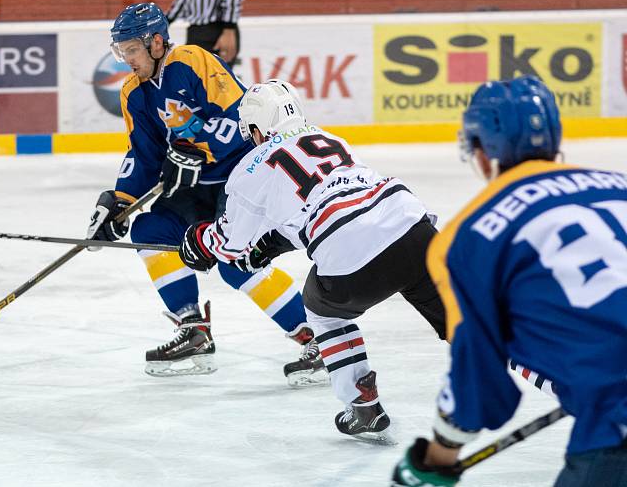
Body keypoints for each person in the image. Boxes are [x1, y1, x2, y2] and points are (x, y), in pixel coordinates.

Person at [177, 80, 447, 442]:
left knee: (322, 309)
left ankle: (363, 404)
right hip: (413, 227)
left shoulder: (250, 167)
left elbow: (228, 243)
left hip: (353, 257)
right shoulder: (330, 138)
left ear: (255, 128)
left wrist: (198, 241)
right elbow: (328, 203)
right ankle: (540, 367)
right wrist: (268, 246)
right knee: (468, 324)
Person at [391, 76, 627, 486]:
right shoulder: (619, 187)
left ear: (484, 152)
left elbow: (478, 372)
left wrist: (437, 457)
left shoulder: (469, 235)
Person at [87, 3, 327, 384]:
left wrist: (197, 149)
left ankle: (317, 339)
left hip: (240, 177)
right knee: (149, 230)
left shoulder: (193, 61)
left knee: (234, 263)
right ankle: (194, 329)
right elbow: (143, 155)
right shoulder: (134, 92)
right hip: (194, 188)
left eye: (131, 50)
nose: (126, 60)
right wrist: (119, 201)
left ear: (156, 42)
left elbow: (240, 119)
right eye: (122, 52)